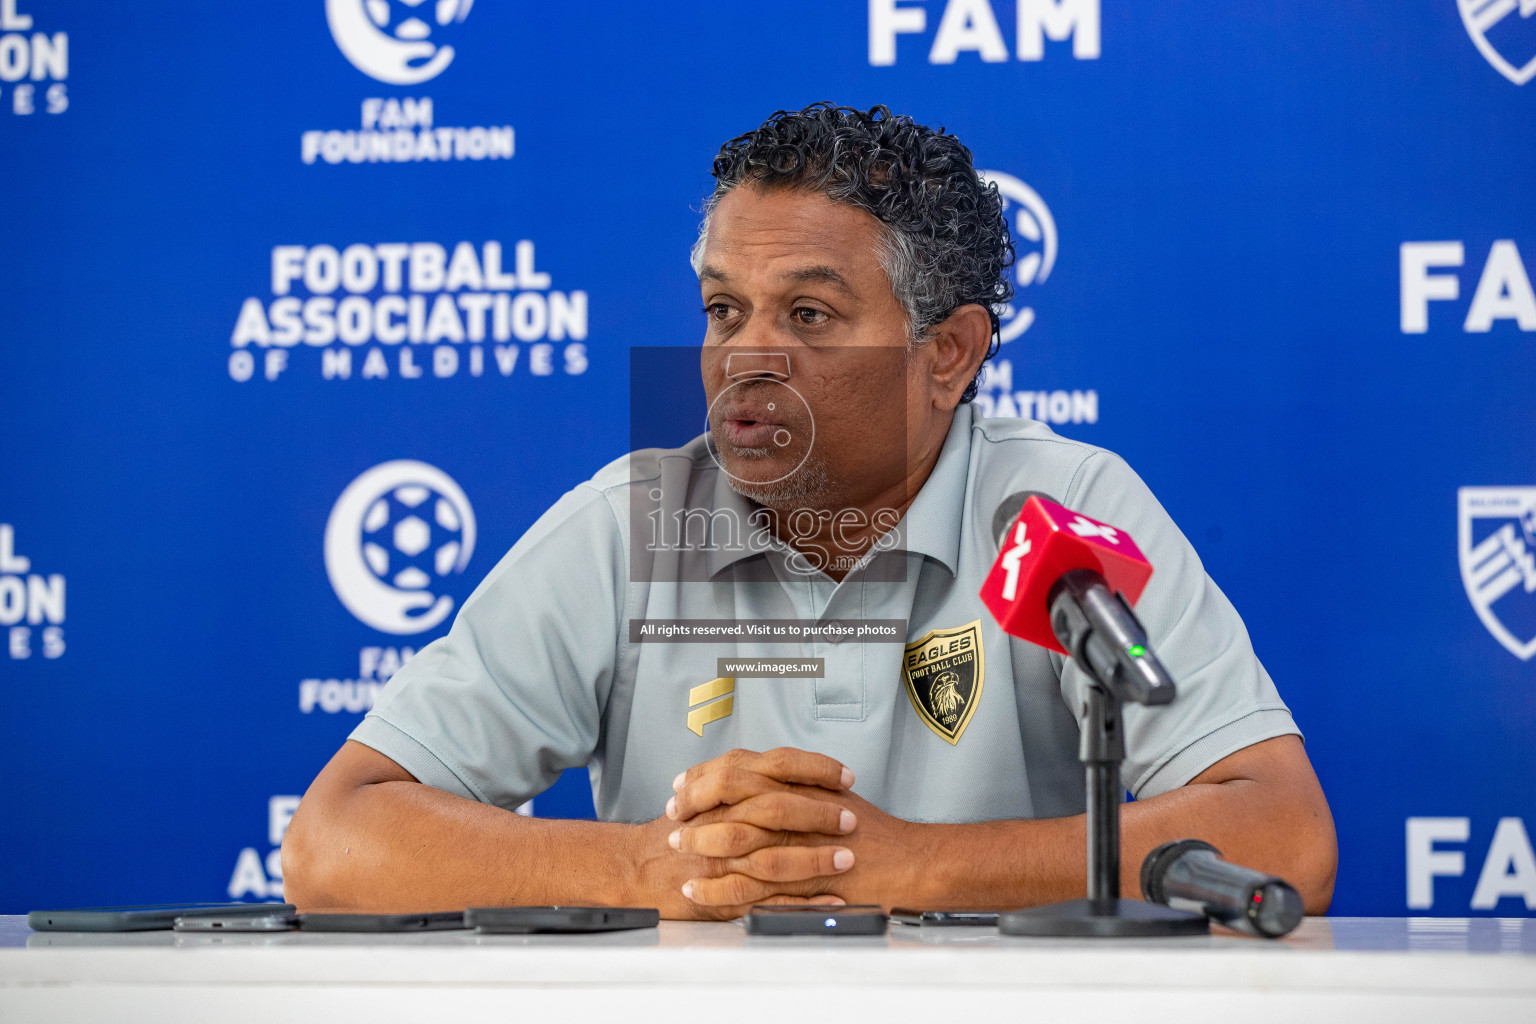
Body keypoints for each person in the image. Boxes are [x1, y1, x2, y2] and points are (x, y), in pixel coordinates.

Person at [282, 103, 1336, 919]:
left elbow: (1281, 833)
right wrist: (652, 865)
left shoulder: (1062, 511)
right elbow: (335, 841)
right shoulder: (631, 522)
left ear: (950, 354)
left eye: (811, 315)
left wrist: (915, 864)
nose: (746, 357)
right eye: (723, 309)